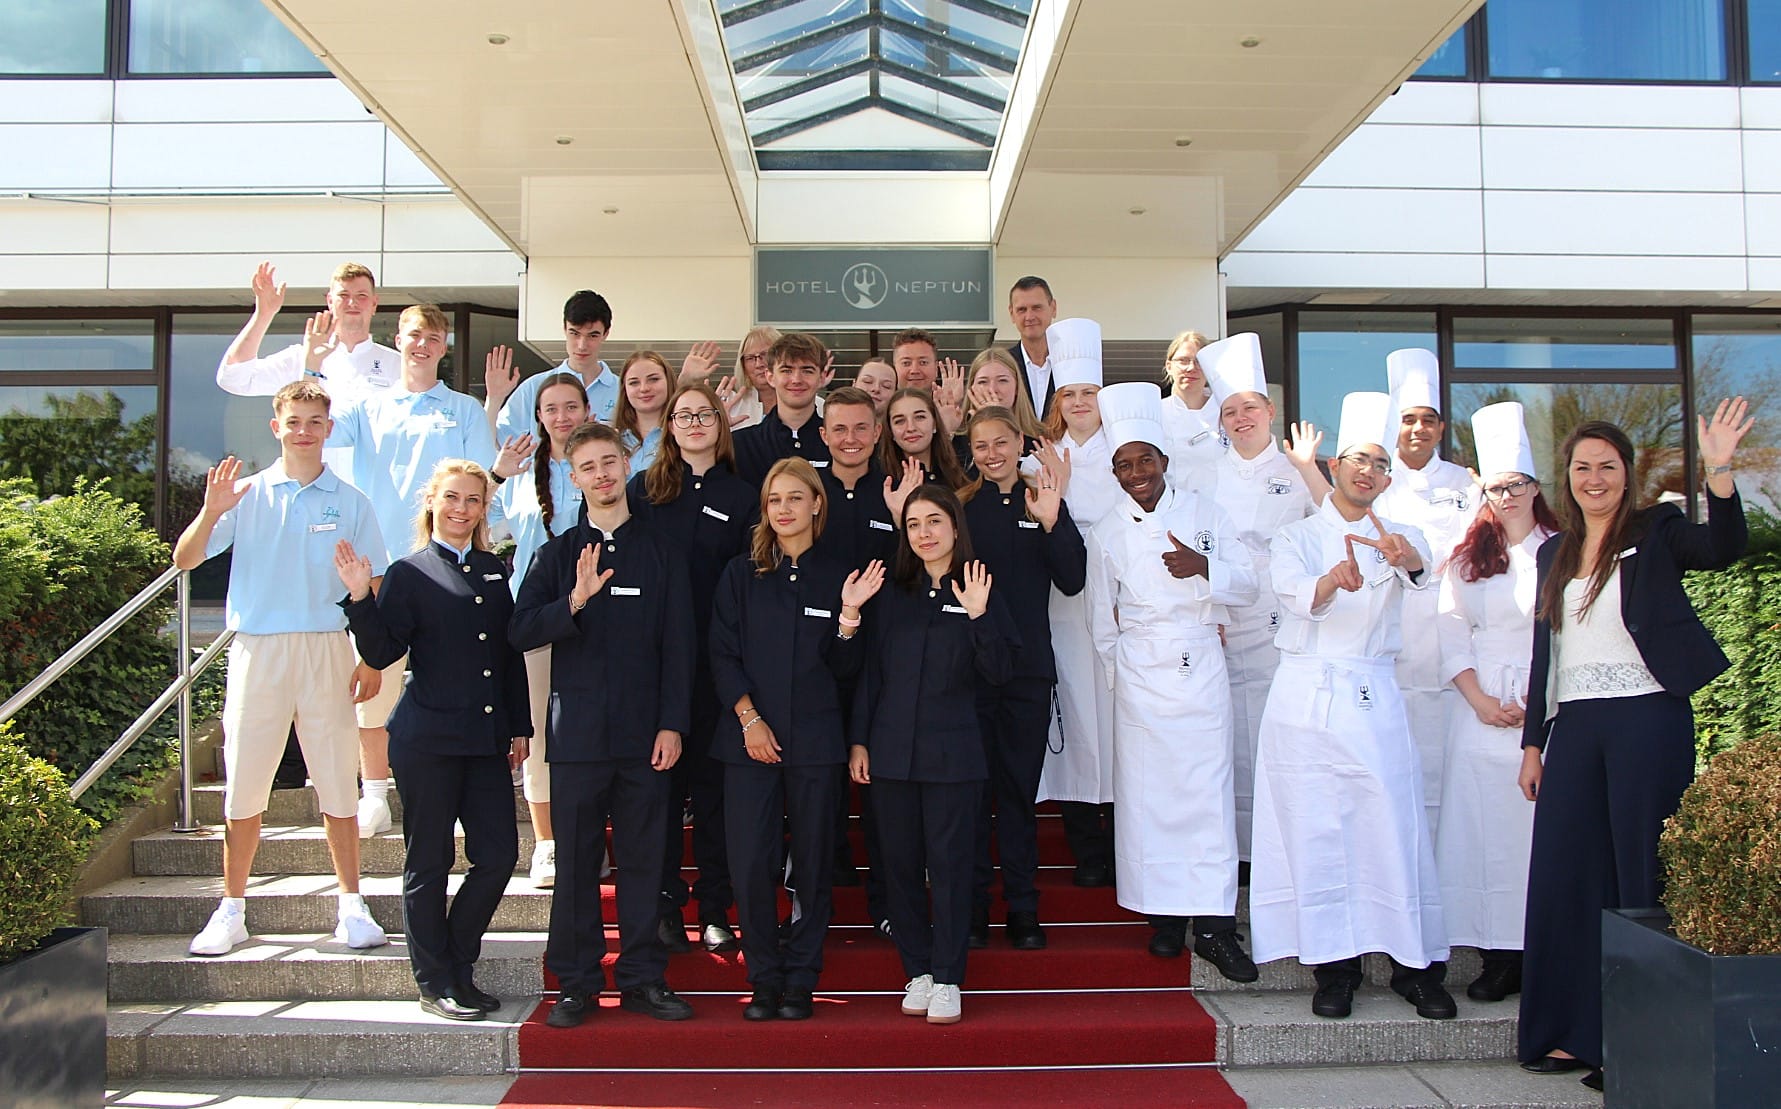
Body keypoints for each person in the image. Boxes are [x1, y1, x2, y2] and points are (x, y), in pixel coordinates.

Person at [1516, 401, 1752, 1090]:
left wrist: (1720, 470)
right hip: (1578, 725)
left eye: (1607, 466)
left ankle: (1636, 1038)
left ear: (1627, 473)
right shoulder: (1552, 552)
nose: (1594, 478)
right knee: (1564, 874)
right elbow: (1545, 653)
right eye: (1582, 467)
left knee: (1637, 875)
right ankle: (1568, 1031)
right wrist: (1533, 743)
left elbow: (1722, 549)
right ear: (1567, 476)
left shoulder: (1656, 530)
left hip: (1647, 717)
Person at [1249, 391, 1453, 1022]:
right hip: (1305, 697)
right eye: (1359, 460)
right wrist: (1331, 582)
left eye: (1381, 464)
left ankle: (1412, 968)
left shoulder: (1402, 535)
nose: (1369, 472)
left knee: (1389, 826)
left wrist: (1406, 560)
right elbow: (1291, 595)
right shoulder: (1296, 538)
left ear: (1389, 477)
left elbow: (1424, 574)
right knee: (1315, 830)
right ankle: (1333, 970)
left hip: (1371, 695)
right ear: (1334, 465)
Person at [175, 380, 387, 959]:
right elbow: (185, 559)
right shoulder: (243, 494)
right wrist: (209, 511)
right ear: (276, 426)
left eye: (314, 421)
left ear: (328, 429)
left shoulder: (352, 500)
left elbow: (374, 584)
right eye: (293, 421)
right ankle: (232, 909)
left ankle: (351, 905)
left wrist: (370, 655)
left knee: (339, 782)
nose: (303, 430)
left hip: (326, 645)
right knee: (245, 781)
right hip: (258, 648)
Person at [509, 422, 698, 1027]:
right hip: (578, 741)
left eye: (610, 462)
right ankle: (578, 983)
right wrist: (574, 601)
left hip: (647, 740)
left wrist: (673, 724)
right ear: (573, 477)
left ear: (625, 465)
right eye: (588, 466)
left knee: (645, 863)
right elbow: (520, 631)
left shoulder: (663, 553)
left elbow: (681, 648)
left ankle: (643, 978)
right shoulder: (558, 554)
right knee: (579, 866)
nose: (602, 475)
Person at [334, 459, 528, 1021]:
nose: (462, 508)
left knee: (497, 857)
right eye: (452, 498)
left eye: (472, 500)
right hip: (428, 739)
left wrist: (519, 725)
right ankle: (434, 980)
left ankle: (456, 965)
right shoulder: (410, 571)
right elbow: (382, 652)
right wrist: (358, 600)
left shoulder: (494, 570)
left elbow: (507, 656)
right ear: (432, 503)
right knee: (430, 859)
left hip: (486, 739)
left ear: (483, 508)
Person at [1087, 382, 1259, 980]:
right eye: (1123, 465)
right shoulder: (1107, 531)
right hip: (1140, 671)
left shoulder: (1208, 513)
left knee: (1207, 796)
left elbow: (1249, 585)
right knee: (1149, 798)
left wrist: (1203, 567)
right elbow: (1099, 622)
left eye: (1144, 460)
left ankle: (1213, 925)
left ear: (1164, 461)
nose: (1135, 473)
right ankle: (1162, 917)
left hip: (1199, 660)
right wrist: (1119, 678)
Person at [709, 458, 883, 1021]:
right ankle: (762, 976)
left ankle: (802, 975)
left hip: (816, 742)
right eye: (773, 499)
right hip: (747, 741)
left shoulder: (840, 576)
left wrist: (849, 617)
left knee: (811, 863)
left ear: (815, 504)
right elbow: (722, 652)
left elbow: (849, 668)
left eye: (793, 498)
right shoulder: (740, 573)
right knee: (751, 862)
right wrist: (748, 719)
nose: (783, 508)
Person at [325, 303, 501, 838]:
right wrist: (314, 363)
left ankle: (457, 782)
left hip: (446, 561)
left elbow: (482, 479)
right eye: (413, 335)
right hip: (381, 562)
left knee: (456, 670)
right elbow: (317, 434)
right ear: (396, 341)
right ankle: (375, 790)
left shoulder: (464, 410)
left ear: (445, 345)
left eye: (432, 337)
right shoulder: (366, 407)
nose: (422, 345)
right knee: (375, 677)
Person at [850, 484, 1016, 1025]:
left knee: (949, 867)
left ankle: (948, 977)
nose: (924, 533)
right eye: (915, 524)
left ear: (954, 528)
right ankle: (917, 970)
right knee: (897, 866)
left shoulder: (979, 585)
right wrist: (860, 740)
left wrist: (978, 618)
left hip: (955, 754)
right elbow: (869, 674)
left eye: (934, 522)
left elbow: (1000, 674)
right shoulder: (892, 592)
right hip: (892, 752)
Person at [1433, 402, 1558, 1008]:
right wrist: (1479, 699)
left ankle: (1541, 950)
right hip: (1479, 708)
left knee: (1535, 834)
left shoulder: (1563, 550)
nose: (1506, 497)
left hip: (1547, 706)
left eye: (1516, 485)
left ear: (1535, 488)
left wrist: (1544, 697)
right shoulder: (1466, 558)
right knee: (1481, 832)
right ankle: (1495, 954)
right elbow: (1450, 632)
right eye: (1495, 487)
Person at [627, 382, 757, 955]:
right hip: (654, 670)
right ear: (669, 426)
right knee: (658, 792)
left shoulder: (745, 494)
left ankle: (713, 906)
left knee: (712, 793)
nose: (695, 423)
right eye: (684, 415)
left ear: (721, 423)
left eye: (706, 414)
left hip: (718, 667)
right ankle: (663, 905)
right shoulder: (645, 492)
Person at [1190, 333, 1329, 864]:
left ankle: (1281, 846)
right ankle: (1241, 855)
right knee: (1227, 737)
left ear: (1270, 410)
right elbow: (1196, 544)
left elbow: (1332, 526)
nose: (1240, 418)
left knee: (1278, 732)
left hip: (1283, 621)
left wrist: (1310, 469)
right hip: (1225, 618)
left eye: (1249, 407)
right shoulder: (1204, 472)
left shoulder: (1299, 469)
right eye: (1229, 411)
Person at [961, 407, 1085, 950]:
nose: (991, 454)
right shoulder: (961, 508)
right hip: (969, 674)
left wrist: (1054, 520)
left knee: (1016, 794)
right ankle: (971, 907)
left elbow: (1074, 579)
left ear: (1019, 443)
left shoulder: (1044, 501)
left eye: (1000, 443)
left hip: (1029, 673)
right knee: (969, 796)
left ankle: (1023, 908)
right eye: (981, 446)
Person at [1373, 349, 1479, 832]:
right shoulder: (1376, 483)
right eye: (1409, 419)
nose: (1418, 429)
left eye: (1428, 421)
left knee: (1447, 764)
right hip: (1390, 638)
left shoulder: (1465, 484)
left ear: (1441, 428)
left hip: (1448, 636)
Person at [489, 372, 588, 887]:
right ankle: (548, 843)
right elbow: (474, 523)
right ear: (540, 417)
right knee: (539, 738)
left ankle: (591, 837)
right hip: (537, 621)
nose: (563, 417)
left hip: (601, 621)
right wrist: (497, 474)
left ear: (589, 412)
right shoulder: (522, 475)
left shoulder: (604, 464)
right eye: (552, 409)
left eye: (572, 407)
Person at [1033, 319, 1121, 888]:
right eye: (1070, 394)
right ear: (1057, 403)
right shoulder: (1039, 458)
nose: (1081, 403)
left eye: (1089, 393)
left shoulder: (1132, 451)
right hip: (1062, 612)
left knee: (1118, 726)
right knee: (1077, 727)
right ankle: (1086, 849)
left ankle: (1122, 840)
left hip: (1121, 609)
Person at [812, 387, 896, 917]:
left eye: (861, 428)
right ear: (823, 435)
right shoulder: (805, 489)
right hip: (814, 655)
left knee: (881, 782)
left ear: (876, 433)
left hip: (881, 658)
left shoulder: (896, 492)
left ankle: (886, 900)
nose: (850, 438)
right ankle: (821, 889)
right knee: (819, 779)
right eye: (839, 429)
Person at [215, 261, 397, 404]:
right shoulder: (300, 357)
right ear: (330, 301)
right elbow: (234, 379)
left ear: (374, 304)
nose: (352, 303)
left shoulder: (398, 364)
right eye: (343, 295)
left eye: (361, 296)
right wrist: (263, 314)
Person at [486, 290, 621, 436]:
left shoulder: (624, 392)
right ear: (564, 329)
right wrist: (494, 399)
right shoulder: (533, 387)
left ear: (606, 334)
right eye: (574, 333)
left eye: (592, 335)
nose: (582, 345)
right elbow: (491, 441)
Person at [733, 332, 835, 486]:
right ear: (770, 376)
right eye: (786, 370)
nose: (796, 380)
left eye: (807, 371)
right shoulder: (741, 445)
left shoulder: (838, 443)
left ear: (822, 377)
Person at [878, 387, 970, 507]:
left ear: (935, 423)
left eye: (920, 417)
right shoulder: (880, 480)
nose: (911, 428)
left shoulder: (962, 472)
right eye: (900, 421)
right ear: (890, 431)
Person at [1159, 330, 1224, 491]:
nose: (1191, 368)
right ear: (1169, 366)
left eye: (1199, 361)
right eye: (1183, 360)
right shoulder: (1155, 413)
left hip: (1218, 509)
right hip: (1169, 509)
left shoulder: (1226, 412)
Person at [1006, 275, 1059, 418]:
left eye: (1037, 308)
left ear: (1053, 308)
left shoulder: (1071, 362)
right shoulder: (1003, 365)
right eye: (1022, 309)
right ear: (1012, 314)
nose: (1029, 316)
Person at [612, 350, 672, 475]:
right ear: (625, 389)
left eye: (653, 379)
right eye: (634, 382)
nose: (644, 388)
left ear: (669, 381)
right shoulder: (613, 439)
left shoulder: (684, 435)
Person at [720, 324, 782, 431]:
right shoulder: (729, 403)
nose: (759, 364)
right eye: (750, 358)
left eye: (765, 355)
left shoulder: (812, 403)